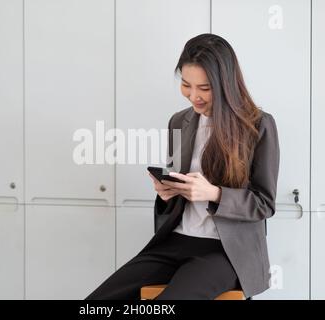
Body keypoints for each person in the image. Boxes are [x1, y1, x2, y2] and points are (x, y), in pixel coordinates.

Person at [86, 33, 280, 300]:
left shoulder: (258, 125)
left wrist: (214, 194)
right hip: (175, 241)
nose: (193, 96)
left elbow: (265, 203)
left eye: (205, 88)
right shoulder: (179, 121)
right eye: (187, 85)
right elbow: (176, 186)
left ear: (226, 84)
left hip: (224, 252)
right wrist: (167, 192)